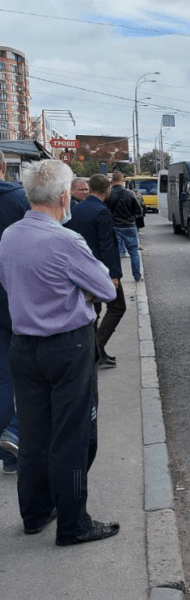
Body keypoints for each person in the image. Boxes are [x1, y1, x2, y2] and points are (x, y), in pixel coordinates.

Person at [0, 159, 120, 545]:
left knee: (34, 433)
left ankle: (35, 513)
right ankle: (74, 522)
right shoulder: (66, 241)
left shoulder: (10, 236)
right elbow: (107, 289)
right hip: (67, 346)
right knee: (73, 434)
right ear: (65, 197)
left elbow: (9, 282)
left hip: (24, 346)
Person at [66, 174, 125, 369]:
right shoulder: (101, 211)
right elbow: (107, 245)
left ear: (90, 188)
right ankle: (96, 348)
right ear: (108, 189)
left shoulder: (77, 208)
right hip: (100, 270)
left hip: (81, 268)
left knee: (93, 311)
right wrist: (114, 275)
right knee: (117, 307)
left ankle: (93, 352)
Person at [0, 149, 29, 476]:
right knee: (34, 372)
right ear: (5, 167)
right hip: (19, 298)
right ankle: (17, 435)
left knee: (3, 377)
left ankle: (9, 455)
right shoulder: (18, 200)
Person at [106, 171, 143, 281]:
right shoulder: (130, 193)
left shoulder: (108, 194)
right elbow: (138, 210)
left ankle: (116, 277)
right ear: (122, 181)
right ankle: (137, 276)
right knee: (134, 252)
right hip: (129, 226)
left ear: (112, 181)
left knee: (115, 254)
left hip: (115, 226)